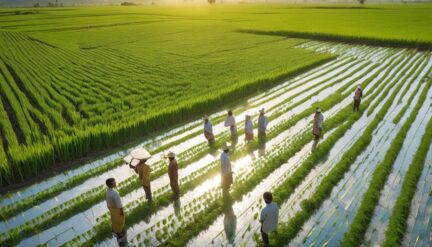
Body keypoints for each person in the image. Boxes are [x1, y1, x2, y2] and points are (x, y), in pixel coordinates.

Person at [105, 178, 126, 243]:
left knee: (114, 220)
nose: (115, 182)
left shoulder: (108, 191)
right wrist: (121, 211)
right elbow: (118, 204)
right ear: (111, 184)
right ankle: (119, 233)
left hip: (112, 209)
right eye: (114, 182)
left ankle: (115, 230)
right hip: (117, 209)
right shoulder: (114, 193)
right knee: (120, 221)